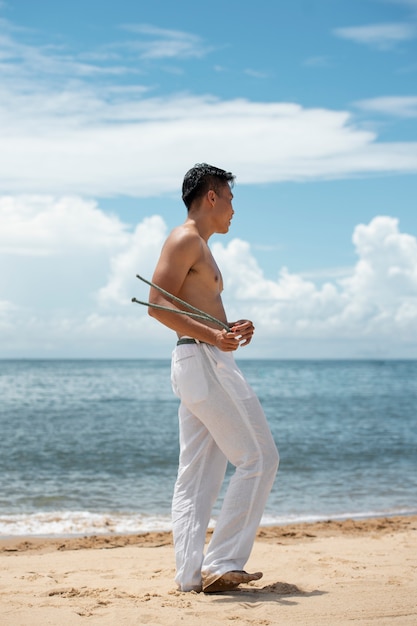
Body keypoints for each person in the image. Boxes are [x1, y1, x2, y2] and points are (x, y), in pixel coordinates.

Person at [147, 163, 279, 593]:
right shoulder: (186, 238)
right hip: (202, 360)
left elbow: (193, 308)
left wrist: (231, 328)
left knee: (198, 476)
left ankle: (189, 577)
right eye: (230, 198)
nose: (233, 209)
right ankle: (223, 560)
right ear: (211, 197)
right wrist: (213, 336)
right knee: (259, 458)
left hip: (197, 360)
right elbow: (157, 304)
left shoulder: (200, 246)